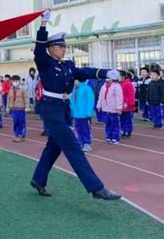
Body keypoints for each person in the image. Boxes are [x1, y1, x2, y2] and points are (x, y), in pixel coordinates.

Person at [30, 10, 121, 201]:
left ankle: (38, 179)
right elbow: (38, 48)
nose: (63, 49)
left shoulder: (68, 65)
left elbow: (84, 72)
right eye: (59, 46)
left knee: (54, 146)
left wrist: (105, 72)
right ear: (50, 48)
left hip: (63, 109)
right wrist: (43, 25)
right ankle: (96, 187)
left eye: (64, 46)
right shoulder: (44, 62)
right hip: (50, 108)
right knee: (72, 146)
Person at [97, 71, 123, 144]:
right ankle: (108, 136)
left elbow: (119, 97)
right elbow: (101, 97)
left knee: (114, 124)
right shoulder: (104, 85)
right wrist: (99, 105)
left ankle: (115, 137)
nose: (107, 78)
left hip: (113, 109)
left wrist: (118, 108)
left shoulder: (117, 86)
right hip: (105, 109)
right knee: (107, 123)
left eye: (109, 77)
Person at [69, 80, 95, 152]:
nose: (74, 82)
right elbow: (72, 101)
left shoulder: (87, 88)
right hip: (76, 114)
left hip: (84, 114)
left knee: (86, 129)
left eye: (75, 80)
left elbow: (90, 101)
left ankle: (87, 143)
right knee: (78, 129)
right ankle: (80, 142)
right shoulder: (74, 89)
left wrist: (89, 113)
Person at [7, 75, 29, 142]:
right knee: (15, 122)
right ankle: (16, 135)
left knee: (21, 123)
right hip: (13, 109)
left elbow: (26, 98)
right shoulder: (11, 90)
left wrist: (27, 107)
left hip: (21, 109)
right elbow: (9, 99)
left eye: (16, 81)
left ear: (19, 81)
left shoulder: (23, 89)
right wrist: (7, 107)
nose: (15, 82)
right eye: (13, 81)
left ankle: (21, 136)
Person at [119, 71, 136, 138]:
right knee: (122, 119)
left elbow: (131, 95)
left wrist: (130, 104)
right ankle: (123, 130)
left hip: (127, 105)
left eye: (119, 76)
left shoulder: (128, 84)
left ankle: (128, 131)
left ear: (123, 77)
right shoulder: (119, 84)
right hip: (121, 105)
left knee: (128, 119)